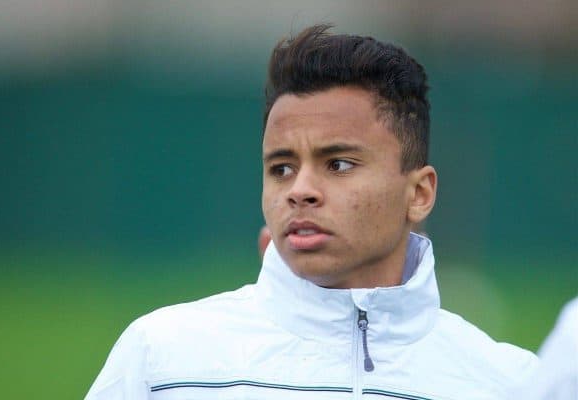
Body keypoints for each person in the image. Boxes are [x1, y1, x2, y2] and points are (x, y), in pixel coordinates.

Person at [85, 25, 539, 399]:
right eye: (281, 168)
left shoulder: (510, 384)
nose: (300, 190)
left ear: (419, 194)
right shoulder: (164, 360)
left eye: (338, 164)